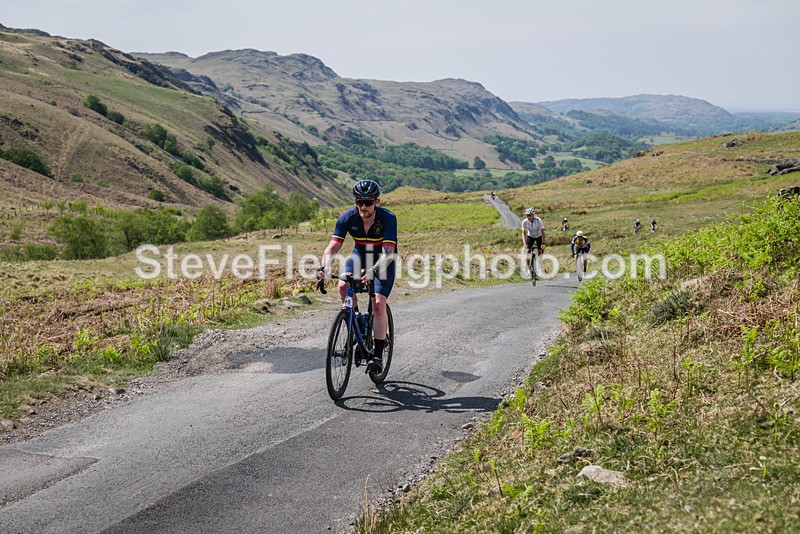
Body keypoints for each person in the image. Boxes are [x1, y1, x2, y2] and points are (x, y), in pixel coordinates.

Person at [318, 180, 397, 374]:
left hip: (383, 260)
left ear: (377, 202)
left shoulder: (387, 218)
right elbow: (332, 247)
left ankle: (377, 355)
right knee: (342, 286)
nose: (363, 206)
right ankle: (357, 322)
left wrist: (373, 272)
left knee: (378, 303)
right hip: (360, 256)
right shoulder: (348, 217)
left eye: (368, 202)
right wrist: (323, 267)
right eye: (359, 202)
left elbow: (388, 254)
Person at [521, 208, 545, 276]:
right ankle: (528, 269)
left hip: (539, 236)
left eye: (530, 215)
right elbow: (523, 233)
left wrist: (543, 243)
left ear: (533, 215)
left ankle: (538, 268)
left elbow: (542, 232)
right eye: (527, 215)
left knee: (540, 251)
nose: (529, 217)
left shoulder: (538, 220)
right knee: (527, 252)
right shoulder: (524, 222)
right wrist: (524, 244)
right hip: (530, 236)